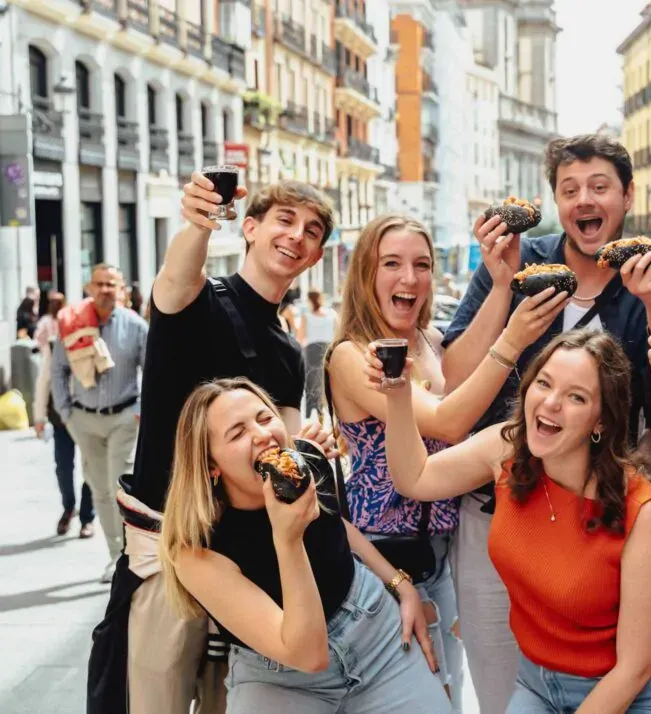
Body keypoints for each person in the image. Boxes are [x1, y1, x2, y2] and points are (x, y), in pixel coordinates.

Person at [439, 133, 651, 712]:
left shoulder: (643, 286)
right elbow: (452, 376)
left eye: (599, 187)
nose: (583, 200)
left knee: (608, 674)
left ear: (627, 196)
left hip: (600, 523)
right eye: (569, 190)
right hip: (502, 508)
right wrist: (502, 296)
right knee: (501, 689)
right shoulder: (519, 262)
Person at [86, 176, 336, 714]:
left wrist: (309, 448)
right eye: (284, 221)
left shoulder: (290, 353)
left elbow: (283, 450)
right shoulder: (199, 299)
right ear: (249, 227)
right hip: (166, 554)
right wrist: (199, 222)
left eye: (311, 231)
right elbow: (177, 276)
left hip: (242, 566)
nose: (296, 236)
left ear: (316, 254)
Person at [328, 214, 567, 710]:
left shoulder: (428, 342)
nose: (409, 278)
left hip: (436, 552)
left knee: (447, 693)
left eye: (422, 265)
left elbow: (460, 373)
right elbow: (446, 421)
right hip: (376, 558)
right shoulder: (352, 357)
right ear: (365, 275)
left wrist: (502, 284)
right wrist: (514, 339)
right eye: (391, 264)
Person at [379, 330, 651, 713]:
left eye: (577, 397)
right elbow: (415, 478)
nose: (551, 403)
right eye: (544, 383)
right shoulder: (507, 448)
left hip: (629, 694)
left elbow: (635, 669)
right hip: (537, 682)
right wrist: (397, 393)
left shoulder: (643, 511)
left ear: (601, 421)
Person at [158, 378, 450, 713]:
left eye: (265, 418)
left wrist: (399, 584)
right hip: (279, 679)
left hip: (376, 635)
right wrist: (288, 539)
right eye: (237, 434)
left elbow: (336, 527)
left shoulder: (305, 460)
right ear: (211, 465)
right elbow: (308, 655)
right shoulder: (197, 550)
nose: (262, 435)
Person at [51, 264, 148, 580]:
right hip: (84, 418)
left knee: (117, 484)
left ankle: (133, 554)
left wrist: (140, 409)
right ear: (89, 288)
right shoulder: (71, 323)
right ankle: (116, 555)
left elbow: (154, 373)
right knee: (99, 489)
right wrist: (67, 415)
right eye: (100, 284)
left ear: (121, 290)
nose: (106, 289)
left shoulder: (135, 326)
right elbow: (57, 371)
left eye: (112, 284)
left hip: (123, 417)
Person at [33, 290, 95, 538]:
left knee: (91, 467)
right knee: (63, 466)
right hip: (61, 418)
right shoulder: (55, 345)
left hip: (89, 415)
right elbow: (43, 381)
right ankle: (69, 507)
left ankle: (87, 517)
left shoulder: (92, 340)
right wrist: (38, 417)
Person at [296, 288, 337, 417]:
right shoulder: (332, 314)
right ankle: (327, 412)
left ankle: (310, 413)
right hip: (329, 349)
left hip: (312, 349)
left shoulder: (306, 316)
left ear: (309, 300)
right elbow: (338, 333)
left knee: (311, 381)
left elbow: (300, 337)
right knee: (328, 381)